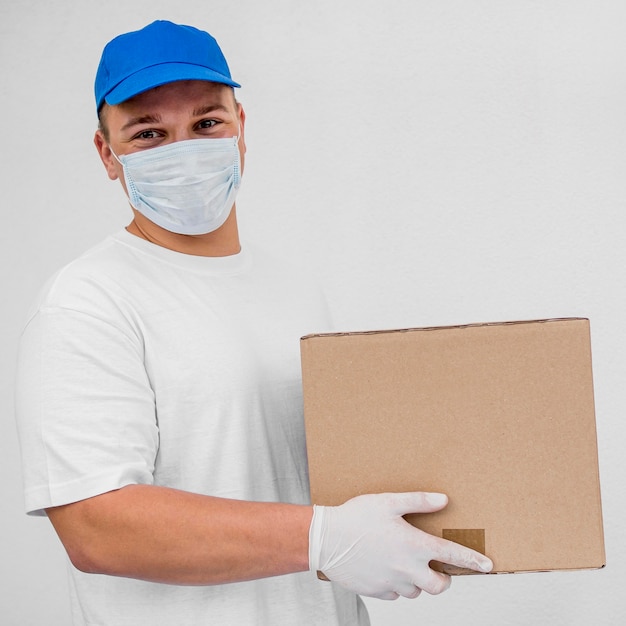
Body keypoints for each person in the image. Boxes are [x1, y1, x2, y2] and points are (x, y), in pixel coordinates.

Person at [15, 20, 493, 625]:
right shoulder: (87, 302)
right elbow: (96, 529)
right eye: (148, 133)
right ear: (107, 154)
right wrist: (322, 540)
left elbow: (334, 486)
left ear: (242, 129)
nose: (182, 150)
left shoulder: (292, 289)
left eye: (206, 124)